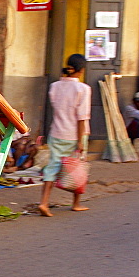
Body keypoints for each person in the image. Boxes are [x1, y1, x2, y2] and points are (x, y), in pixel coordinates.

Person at [38, 53, 91, 217]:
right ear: (81, 70)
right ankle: (76, 203)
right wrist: (81, 141)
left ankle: (44, 203)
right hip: (74, 135)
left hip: (56, 132)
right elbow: (82, 118)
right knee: (77, 168)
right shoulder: (83, 89)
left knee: (52, 168)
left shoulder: (55, 86)